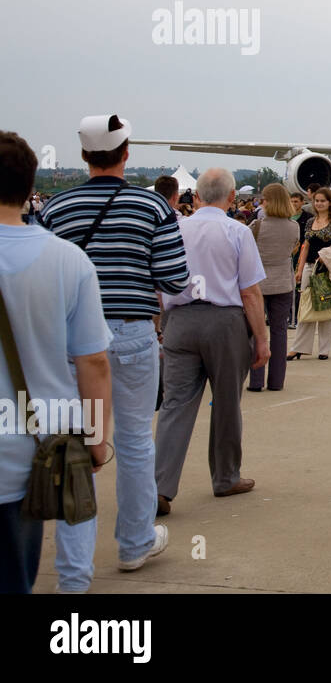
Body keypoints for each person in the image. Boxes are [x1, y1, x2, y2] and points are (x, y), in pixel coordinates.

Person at [37, 115, 188, 589]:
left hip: (68, 342)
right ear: (126, 153)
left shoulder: (56, 209)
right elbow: (176, 279)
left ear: (84, 157)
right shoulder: (150, 207)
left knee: (73, 448)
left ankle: (75, 562)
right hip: (130, 335)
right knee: (135, 441)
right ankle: (135, 542)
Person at [0, 132, 115, 593]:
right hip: (28, 448)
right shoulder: (68, 261)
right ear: (32, 188)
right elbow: (93, 363)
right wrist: (95, 439)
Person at [155, 168, 270, 514]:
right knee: (225, 402)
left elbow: (160, 285)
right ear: (232, 197)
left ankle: (160, 486)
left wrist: (165, 324)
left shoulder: (175, 229)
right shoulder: (237, 231)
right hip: (224, 321)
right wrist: (262, 339)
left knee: (175, 405)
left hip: (180, 320)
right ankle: (225, 476)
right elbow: (250, 292)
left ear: (197, 195)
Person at [290, 187, 331, 361]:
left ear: (329, 202)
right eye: (316, 200)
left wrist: (328, 254)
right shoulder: (311, 222)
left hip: (328, 269)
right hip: (310, 267)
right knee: (306, 307)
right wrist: (300, 269)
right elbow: (306, 246)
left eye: (322, 201)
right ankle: (299, 347)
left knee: (326, 308)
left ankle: (324, 349)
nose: (318, 203)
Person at [249, 183, 299, 391]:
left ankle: (256, 380)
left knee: (257, 333)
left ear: (268, 202)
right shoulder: (293, 227)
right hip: (283, 283)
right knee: (280, 332)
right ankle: (277, 381)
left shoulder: (257, 226)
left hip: (259, 284)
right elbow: (293, 248)